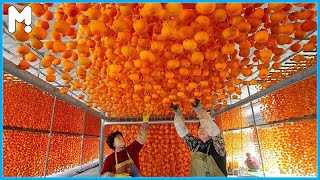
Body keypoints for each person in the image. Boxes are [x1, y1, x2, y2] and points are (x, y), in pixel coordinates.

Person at [170, 98, 227, 177]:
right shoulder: (195, 145)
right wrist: (177, 114)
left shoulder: (218, 146)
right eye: (200, 128)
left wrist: (200, 111)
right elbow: (183, 133)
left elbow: (214, 131)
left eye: (205, 128)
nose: (201, 130)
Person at [101, 113, 150, 177]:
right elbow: (103, 175)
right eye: (118, 137)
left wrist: (145, 124)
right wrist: (113, 176)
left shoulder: (132, 149)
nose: (122, 138)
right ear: (113, 143)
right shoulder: (110, 159)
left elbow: (141, 138)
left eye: (122, 137)